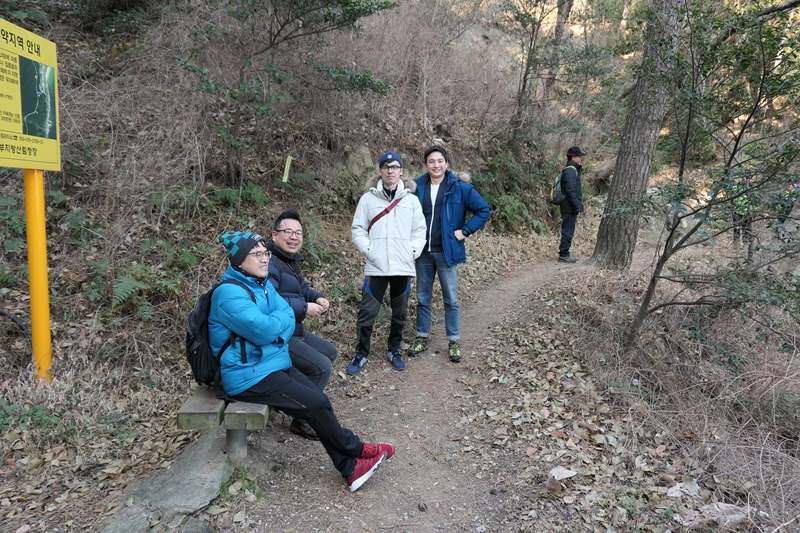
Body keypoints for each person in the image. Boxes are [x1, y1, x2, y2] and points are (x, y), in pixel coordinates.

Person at [209, 230, 393, 492]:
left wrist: (276, 325)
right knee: (315, 403)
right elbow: (265, 330)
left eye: (265, 253)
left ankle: (352, 461)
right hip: (247, 376)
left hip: (271, 364)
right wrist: (277, 326)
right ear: (238, 261)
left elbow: (284, 314)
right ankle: (354, 457)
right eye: (256, 254)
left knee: (318, 401)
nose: (264, 259)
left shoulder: (260, 284)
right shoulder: (228, 294)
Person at [408, 145, 491, 363]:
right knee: (422, 297)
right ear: (426, 164)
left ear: (446, 164)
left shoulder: (459, 187)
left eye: (440, 161)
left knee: (451, 299)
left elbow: (483, 210)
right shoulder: (417, 186)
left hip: (447, 251)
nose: (436, 165)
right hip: (422, 252)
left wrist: (465, 231)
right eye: (431, 161)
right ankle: (421, 336)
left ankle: (453, 340)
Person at [347, 150, 427, 375]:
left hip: (403, 265)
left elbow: (420, 231)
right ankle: (361, 353)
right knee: (367, 312)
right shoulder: (368, 199)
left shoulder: (411, 201)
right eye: (386, 167)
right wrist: (370, 250)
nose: (390, 171)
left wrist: (412, 251)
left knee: (399, 312)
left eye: (395, 167)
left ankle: (394, 350)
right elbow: (358, 229)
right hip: (376, 266)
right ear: (380, 171)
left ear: (401, 171)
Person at [267, 209, 336, 440]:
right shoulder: (269, 263)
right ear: (275, 234)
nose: (294, 237)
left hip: (293, 329)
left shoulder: (289, 260)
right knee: (322, 367)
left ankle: (299, 395)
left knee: (330, 352)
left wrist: (317, 297)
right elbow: (271, 301)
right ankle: (303, 418)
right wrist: (305, 308)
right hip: (279, 335)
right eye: (288, 232)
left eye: (298, 233)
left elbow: (302, 288)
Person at [557, 146, 586, 263]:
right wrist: (578, 205)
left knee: (569, 229)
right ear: (573, 157)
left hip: (569, 206)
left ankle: (565, 253)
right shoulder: (570, 171)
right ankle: (564, 254)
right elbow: (570, 190)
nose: (581, 158)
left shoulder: (572, 169)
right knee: (568, 230)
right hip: (568, 206)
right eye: (579, 156)